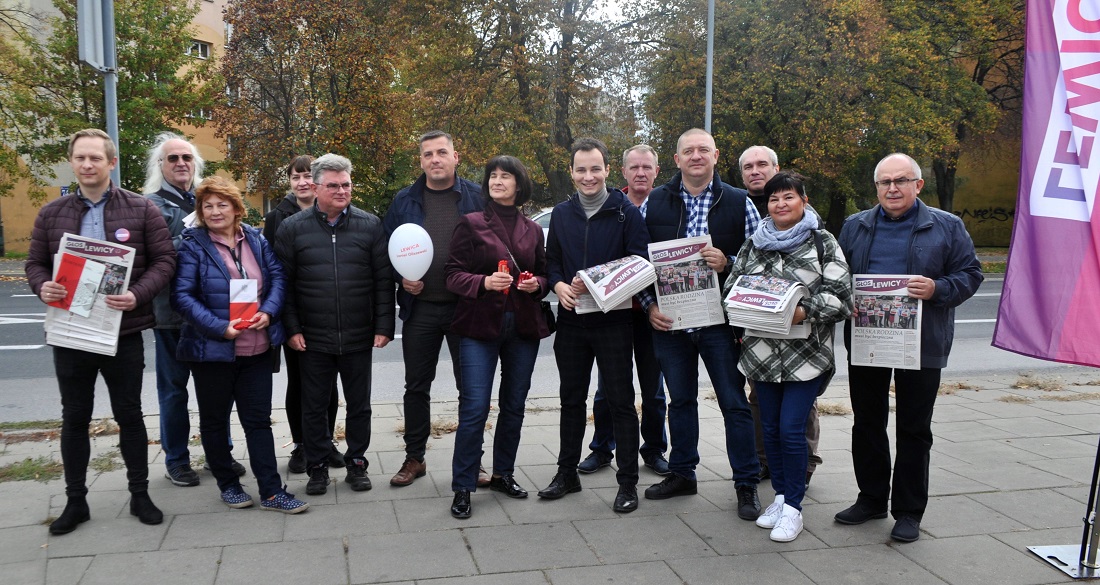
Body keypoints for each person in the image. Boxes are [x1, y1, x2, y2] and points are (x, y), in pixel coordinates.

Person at [26, 129, 175, 534]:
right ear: (72, 162)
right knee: (74, 417)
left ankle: (140, 494)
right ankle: (76, 501)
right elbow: (35, 264)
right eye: (80, 158)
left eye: (96, 158)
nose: (88, 165)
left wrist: (137, 295)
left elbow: (164, 262)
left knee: (129, 414)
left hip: (122, 332)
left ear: (112, 163)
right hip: (71, 333)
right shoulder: (51, 213)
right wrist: (42, 285)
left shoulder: (142, 209)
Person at [835, 152, 983, 542]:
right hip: (869, 339)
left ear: (918, 185)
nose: (893, 188)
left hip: (922, 341)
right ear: (876, 187)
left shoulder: (946, 226)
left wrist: (938, 289)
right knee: (867, 423)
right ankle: (871, 499)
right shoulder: (855, 226)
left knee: (914, 428)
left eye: (901, 180)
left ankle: (909, 511)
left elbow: (971, 273)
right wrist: (841, 297)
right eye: (885, 182)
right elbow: (835, 275)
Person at [640, 129, 762, 521]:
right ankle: (682, 473)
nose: (696, 156)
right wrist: (647, 306)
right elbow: (635, 262)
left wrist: (728, 261)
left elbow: (762, 260)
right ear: (676, 160)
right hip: (670, 322)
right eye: (688, 151)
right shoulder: (654, 202)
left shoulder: (741, 202)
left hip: (719, 323)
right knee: (680, 401)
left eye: (703, 150)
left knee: (733, 402)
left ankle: (745, 482)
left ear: (716, 155)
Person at [726, 172, 853, 542]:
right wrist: (745, 306)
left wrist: (802, 311)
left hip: (806, 356)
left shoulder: (823, 242)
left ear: (804, 200)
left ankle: (795, 508)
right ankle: (781, 497)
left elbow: (841, 296)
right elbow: (732, 288)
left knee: (791, 430)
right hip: (762, 355)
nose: (781, 204)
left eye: (788, 197)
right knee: (769, 430)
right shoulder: (754, 243)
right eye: (774, 199)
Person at [171, 176, 308, 513]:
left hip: (257, 347)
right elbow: (181, 297)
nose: (215, 211)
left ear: (235, 208)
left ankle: (272, 491)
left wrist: (268, 312)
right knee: (215, 422)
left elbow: (277, 278)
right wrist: (220, 327)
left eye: (222, 204)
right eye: (208, 206)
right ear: (200, 211)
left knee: (258, 421)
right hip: (212, 351)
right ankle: (228, 484)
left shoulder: (257, 240)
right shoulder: (192, 244)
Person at [539, 137, 650, 514]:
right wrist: (557, 286)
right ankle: (566, 473)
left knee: (620, 402)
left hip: (614, 321)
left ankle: (627, 483)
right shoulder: (562, 213)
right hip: (572, 322)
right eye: (581, 169)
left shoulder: (626, 212)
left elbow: (640, 263)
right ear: (571, 172)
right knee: (571, 400)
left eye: (595, 169)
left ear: (607, 170)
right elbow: (551, 262)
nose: (589, 176)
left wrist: (600, 280)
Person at [274, 153, 396, 496]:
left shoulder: (370, 225)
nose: (342, 191)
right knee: (313, 406)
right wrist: (292, 328)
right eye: (334, 185)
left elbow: (382, 280)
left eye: (346, 185)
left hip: (358, 335)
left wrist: (384, 324)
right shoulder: (292, 228)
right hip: (312, 338)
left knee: (360, 405)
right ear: (315, 187)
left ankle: (356, 463)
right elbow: (283, 284)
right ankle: (316, 468)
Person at [444, 156, 551, 518]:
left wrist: (536, 283)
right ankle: (463, 486)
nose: (497, 181)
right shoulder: (471, 223)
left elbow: (545, 276)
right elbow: (452, 275)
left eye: (506, 176)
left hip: (522, 327)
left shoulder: (532, 229)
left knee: (514, 405)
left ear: (519, 185)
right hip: (478, 327)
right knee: (474, 408)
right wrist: (484, 282)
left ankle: (504, 473)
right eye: (493, 176)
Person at [383, 131, 486, 488]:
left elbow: (491, 248)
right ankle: (415, 458)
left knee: (471, 389)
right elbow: (388, 252)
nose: (435, 159)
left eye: (442, 152)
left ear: (456, 157)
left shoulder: (477, 196)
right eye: (428, 154)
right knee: (416, 387)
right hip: (421, 308)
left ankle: (474, 461)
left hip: (466, 308)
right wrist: (402, 279)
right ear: (421, 161)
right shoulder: (404, 201)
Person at [144, 133, 246, 487]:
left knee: (217, 392)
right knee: (174, 391)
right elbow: (153, 254)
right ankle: (177, 460)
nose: (180, 164)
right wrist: (192, 235)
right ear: (161, 165)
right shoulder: (151, 206)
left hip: (213, 315)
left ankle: (222, 454)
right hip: (171, 316)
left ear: (196, 163)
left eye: (186, 157)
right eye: (172, 158)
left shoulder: (207, 200)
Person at [579, 144, 669, 476]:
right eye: (634, 168)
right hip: (612, 311)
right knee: (608, 388)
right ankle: (603, 448)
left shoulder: (665, 207)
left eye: (647, 167)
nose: (641, 173)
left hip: (652, 313)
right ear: (623, 172)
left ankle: (655, 449)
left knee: (653, 388)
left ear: (657, 171)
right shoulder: (610, 205)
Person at [738, 145, 823, 485]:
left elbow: (831, 287)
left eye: (762, 164)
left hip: (802, 341)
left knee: (798, 410)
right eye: (748, 166)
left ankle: (803, 465)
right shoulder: (742, 211)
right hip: (759, 336)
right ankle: (767, 464)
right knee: (762, 405)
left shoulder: (814, 231)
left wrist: (803, 311)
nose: (755, 170)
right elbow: (738, 275)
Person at [263, 155, 344, 473]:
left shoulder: (332, 213)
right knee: (298, 381)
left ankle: (326, 442)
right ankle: (300, 445)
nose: (302, 182)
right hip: (293, 313)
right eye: (295, 177)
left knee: (328, 382)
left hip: (327, 313)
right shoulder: (277, 217)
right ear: (290, 182)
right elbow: (272, 269)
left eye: (307, 176)